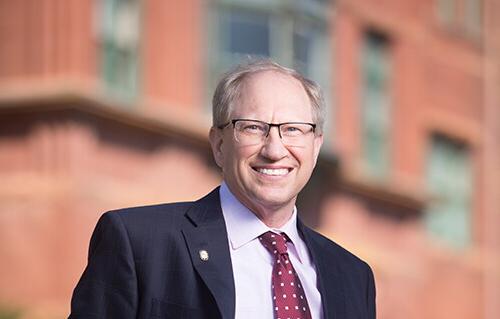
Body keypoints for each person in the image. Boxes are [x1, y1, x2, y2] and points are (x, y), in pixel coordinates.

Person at [69, 59, 376, 319]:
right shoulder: (138, 242)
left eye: (293, 129)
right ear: (218, 144)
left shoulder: (352, 275)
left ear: (315, 146)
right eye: (253, 127)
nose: (274, 149)